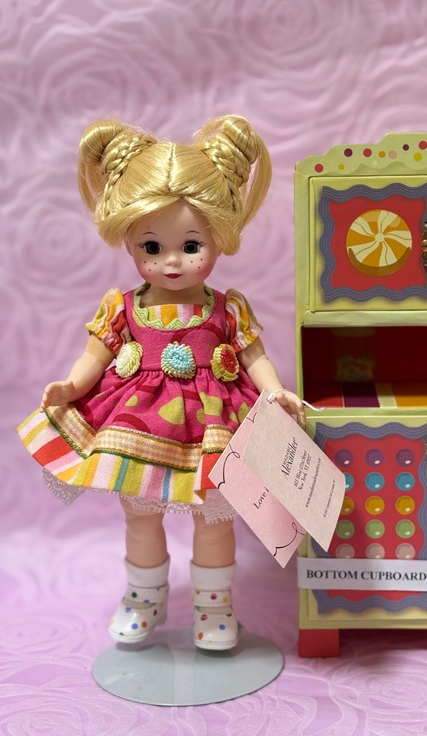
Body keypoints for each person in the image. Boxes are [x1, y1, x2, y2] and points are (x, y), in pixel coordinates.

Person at [17, 115, 305, 651]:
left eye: (191, 245)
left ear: (219, 238)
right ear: (129, 242)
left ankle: (214, 605)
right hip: (139, 424)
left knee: (214, 519)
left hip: (213, 427)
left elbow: (254, 355)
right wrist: (73, 386)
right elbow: (95, 354)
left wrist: (274, 390)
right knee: (140, 516)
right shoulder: (123, 306)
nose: (171, 261)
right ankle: (143, 597)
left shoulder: (228, 308)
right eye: (151, 248)